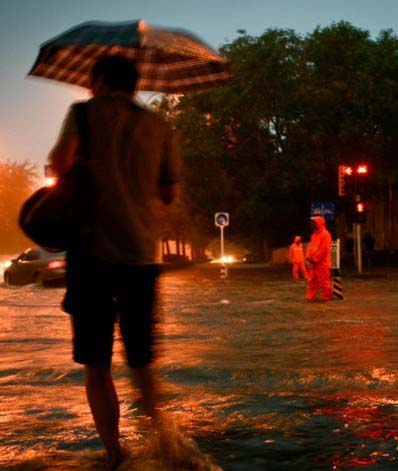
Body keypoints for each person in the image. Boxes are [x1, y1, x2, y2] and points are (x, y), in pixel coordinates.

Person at [48, 55, 180, 469]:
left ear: (100, 81)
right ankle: (166, 449)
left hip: (91, 254)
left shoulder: (82, 114)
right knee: (142, 361)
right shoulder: (159, 125)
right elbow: (169, 192)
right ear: (136, 84)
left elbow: (58, 163)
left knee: (96, 362)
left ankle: (115, 453)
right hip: (141, 256)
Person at [305, 216, 332, 301]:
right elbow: (310, 247)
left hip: (322, 263)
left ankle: (326, 297)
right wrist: (308, 257)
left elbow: (324, 249)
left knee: (324, 281)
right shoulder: (314, 235)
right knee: (312, 281)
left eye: (313, 223)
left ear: (318, 223)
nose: (311, 225)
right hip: (313, 263)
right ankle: (310, 296)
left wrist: (315, 259)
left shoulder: (326, 235)